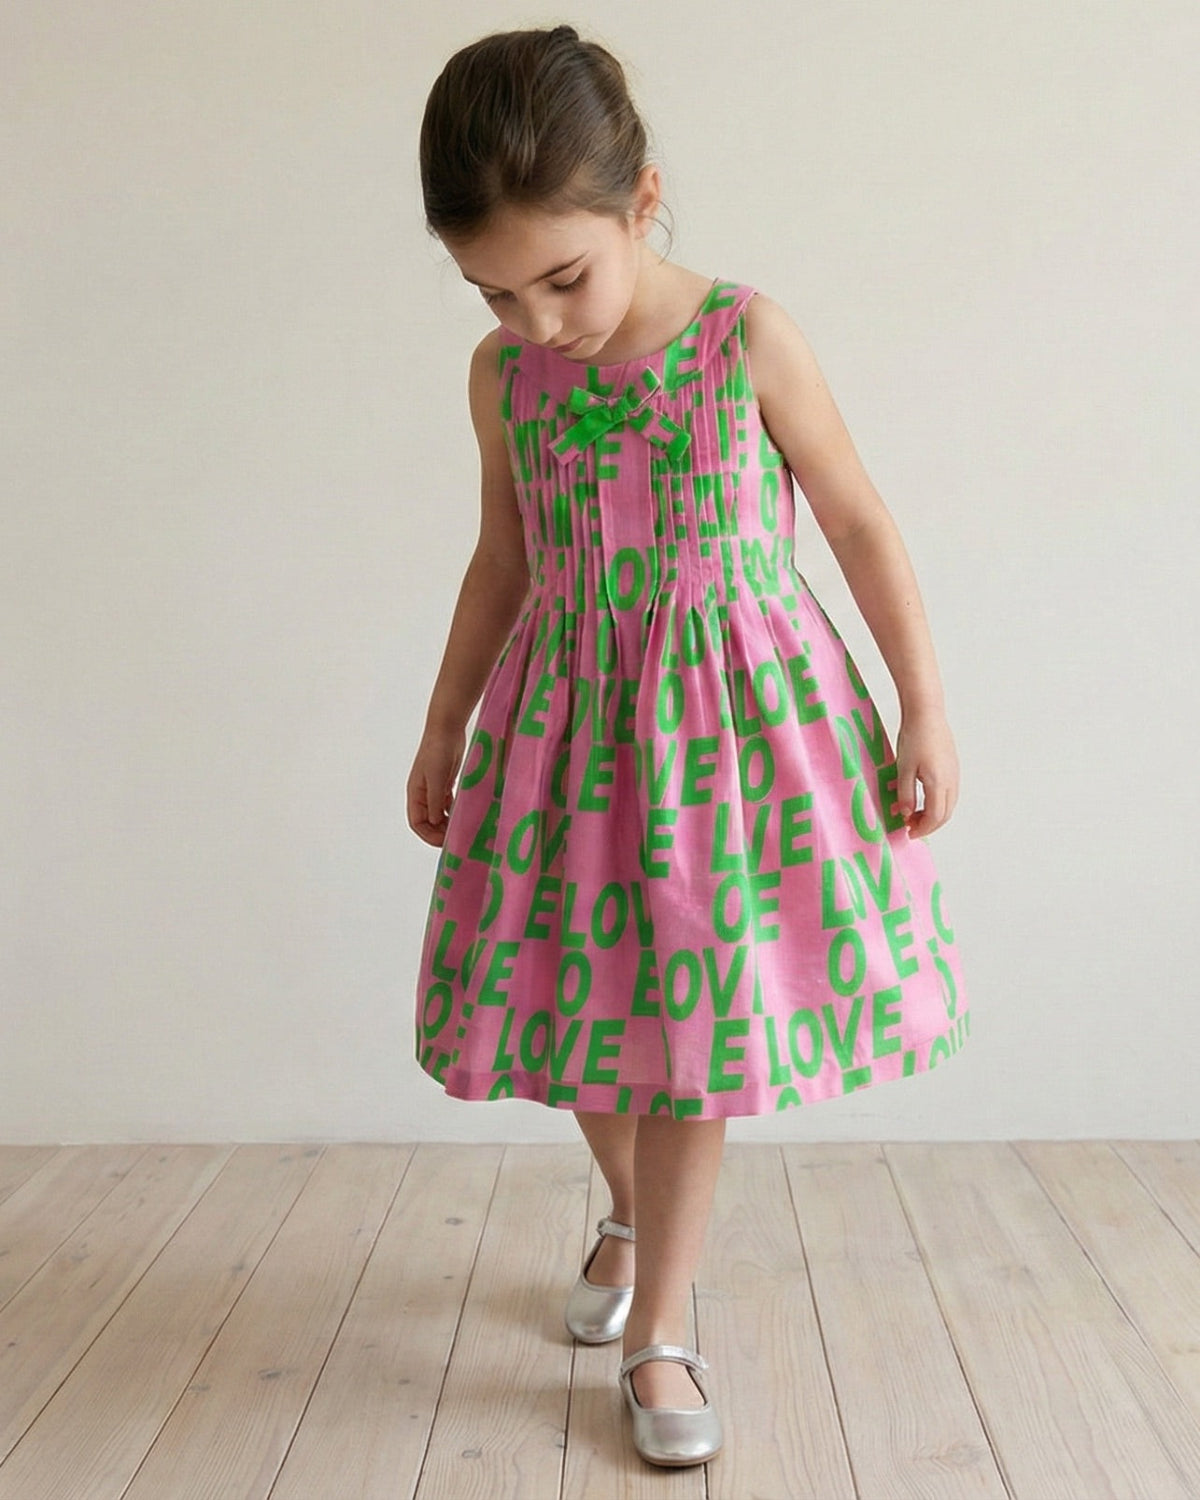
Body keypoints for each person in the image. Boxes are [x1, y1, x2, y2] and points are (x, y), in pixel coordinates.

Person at [406, 24, 969, 1469]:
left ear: (642, 202)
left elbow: (854, 517)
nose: (536, 322)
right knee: (585, 1015)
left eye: (563, 278)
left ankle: (660, 1325)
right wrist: (444, 721)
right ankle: (624, 1210)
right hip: (567, 734)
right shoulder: (505, 378)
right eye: (494, 290)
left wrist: (923, 703)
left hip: (731, 743)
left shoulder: (745, 338)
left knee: (692, 1043)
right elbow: (501, 559)